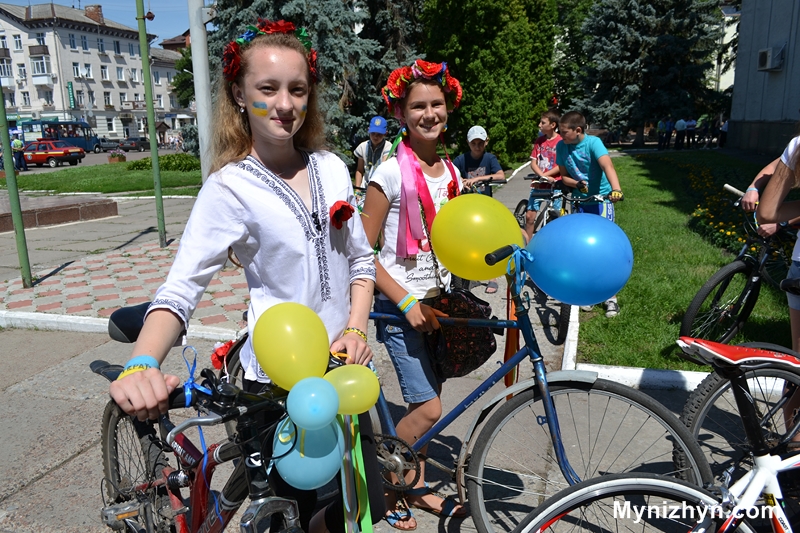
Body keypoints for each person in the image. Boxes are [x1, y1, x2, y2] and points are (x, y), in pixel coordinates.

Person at [107, 18, 384, 533]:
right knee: (288, 519)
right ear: (238, 93)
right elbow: (182, 287)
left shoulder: (332, 167)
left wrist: (355, 328)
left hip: (340, 376)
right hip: (273, 387)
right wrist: (142, 362)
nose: (285, 104)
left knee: (361, 505)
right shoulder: (228, 188)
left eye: (297, 89)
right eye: (268, 88)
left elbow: (362, 263)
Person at [361, 59, 468, 530]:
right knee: (428, 409)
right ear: (401, 113)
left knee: (422, 405)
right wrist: (404, 300)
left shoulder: (451, 171)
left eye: (436, 104)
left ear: (449, 109)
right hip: (399, 306)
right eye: (418, 106)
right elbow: (361, 253)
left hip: (439, 303)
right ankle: (384, 487)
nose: (429, 113)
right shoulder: (386, 174)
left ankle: (416, 484)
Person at [556, 111, 624, 317]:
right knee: (583, 249)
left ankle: (611, 298)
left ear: (578, 130)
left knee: (605, 248)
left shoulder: (593, 143)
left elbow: (607, 165)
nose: (561, 136)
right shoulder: (562, 146)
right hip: (579, 201)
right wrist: (576, 183)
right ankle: (589, 295)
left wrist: (616, 189)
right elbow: (564, 176)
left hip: (601, 199)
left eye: (564, 132)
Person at [452, 124, 505, 292]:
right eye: (474, 143)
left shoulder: (490, 159)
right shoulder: (461, 159)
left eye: (480, 143)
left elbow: (500, 175)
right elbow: (452, 174)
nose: (477, 146)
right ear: (468, 143)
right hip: (467, 206)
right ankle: (466, 273)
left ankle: (492, 276)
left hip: (484, 205)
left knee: (488, 238)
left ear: (486, 142)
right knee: (466, 239)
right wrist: (462, 180)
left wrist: (477, 179)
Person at [525, 109, 562, 242]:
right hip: (539, 184)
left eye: (543, 122)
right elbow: (533, 163)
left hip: (555, 185)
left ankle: (552, 245)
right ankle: (528, 245)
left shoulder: (561, 142)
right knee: (529, 216)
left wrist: (546, 176)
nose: (539, 125)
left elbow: (561, 166)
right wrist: (542, 176)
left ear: (553, 125)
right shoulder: (539, 141)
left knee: (554, 218)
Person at [354, 116, 392, 189]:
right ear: (368, 130)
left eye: (379, 134)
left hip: (381, 187)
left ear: (385, 133)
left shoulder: (388, 147)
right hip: (364, 187)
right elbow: (359, 170)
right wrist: (357, 189)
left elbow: (383, 169)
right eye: (373, 133)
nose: (375, 137)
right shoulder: (362, 147)